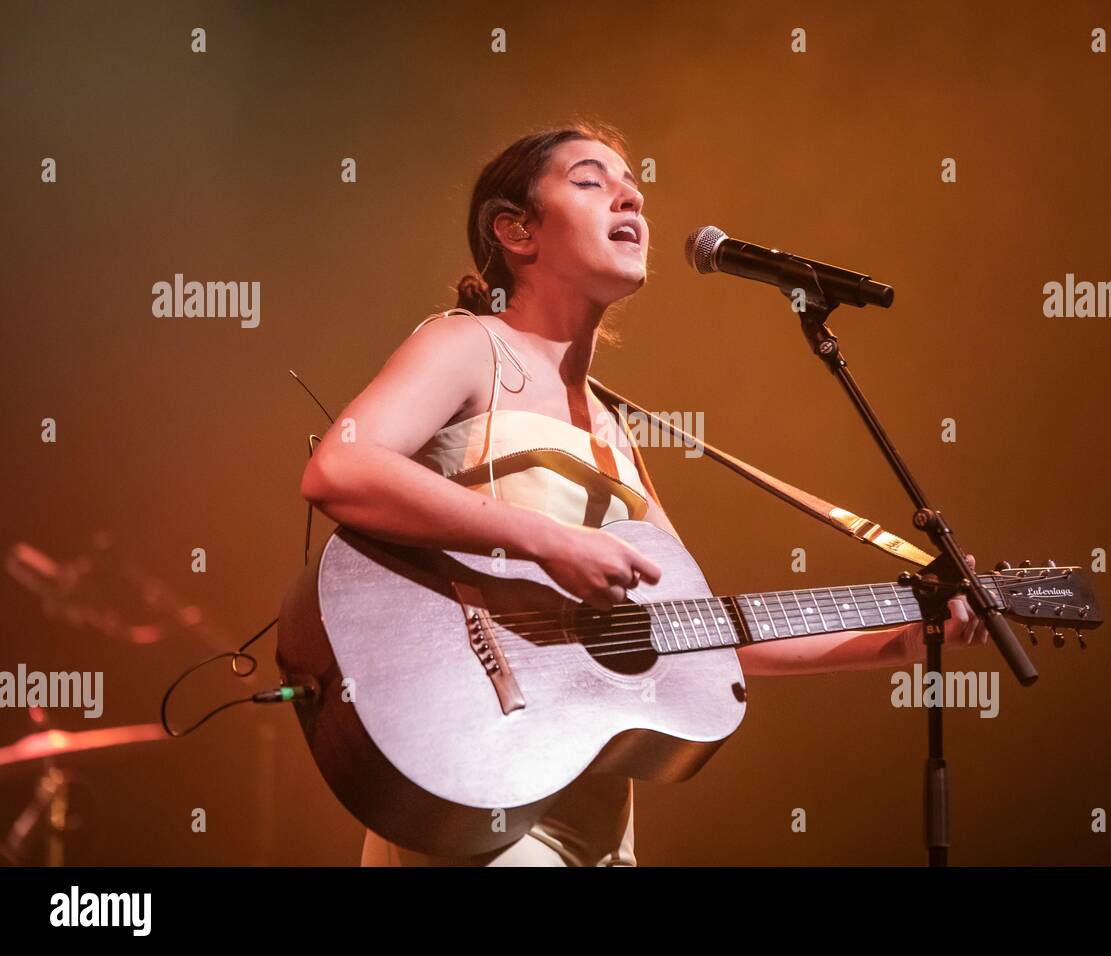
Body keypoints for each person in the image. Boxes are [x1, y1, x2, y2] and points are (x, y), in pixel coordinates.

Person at [299, 120, 989, 867]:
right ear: (515, 231)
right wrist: (551, 540)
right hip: (476, 778)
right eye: (591, 181)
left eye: (634, 186)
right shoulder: (470, 346)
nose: (628, 195)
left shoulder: (614, 428)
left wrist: (907, 635)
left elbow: (696, 634)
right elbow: (341, 469)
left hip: (595, 819)